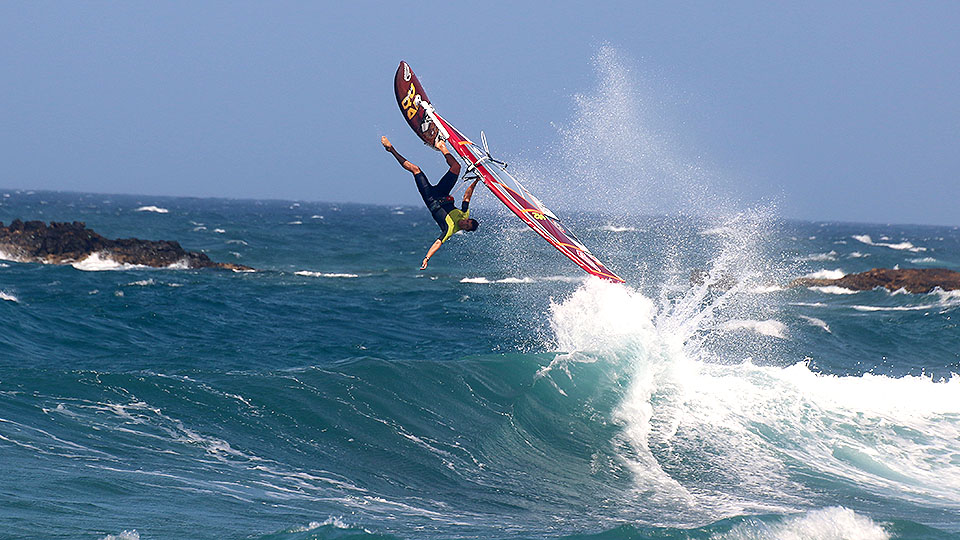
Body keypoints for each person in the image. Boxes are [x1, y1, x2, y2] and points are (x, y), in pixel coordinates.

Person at [381, 135, 480, 269]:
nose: (465, 222)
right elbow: (467, 196)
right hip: (442, 192)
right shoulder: (464, 214)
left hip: (431, 197)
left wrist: (427, 258)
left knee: (415, 169)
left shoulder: (449, 229)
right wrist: (477, 180)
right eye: (468, 221)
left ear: (464, 229)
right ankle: (441, 146)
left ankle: (391, 149)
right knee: (456, 167)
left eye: (466, 225)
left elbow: (437, 243)